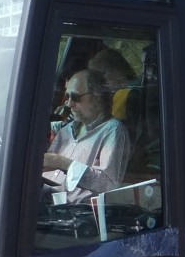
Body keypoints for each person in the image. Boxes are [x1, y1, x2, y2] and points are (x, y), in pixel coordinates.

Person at [44, 69, 132, 204]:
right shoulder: (67, 129)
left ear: (97, 96)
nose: (69, 104)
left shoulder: (112, 130)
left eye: (75, 97)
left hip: (79, 215)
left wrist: (63, 163)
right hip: (47, 203)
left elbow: (108, 185)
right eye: (67, 97)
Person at [87, 48, 136, 121]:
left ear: (115, 68)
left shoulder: (124, 96)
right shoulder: (136, 84)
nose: (102, 79)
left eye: (103, 73)